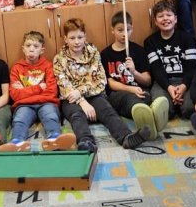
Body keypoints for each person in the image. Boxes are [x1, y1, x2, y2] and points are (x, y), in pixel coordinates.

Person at [55, 18, 151, 152]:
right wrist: (82, 101)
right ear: (65, 39)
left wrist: (80, 91)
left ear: (85, 37)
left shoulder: (93, 52)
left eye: (80, 37)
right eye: (72, 38)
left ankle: (126, 137)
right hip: (71, 99)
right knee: (77, 116)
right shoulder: (59, 59)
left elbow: (100, 80)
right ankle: (85, 141)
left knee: (107, 111)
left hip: (94, 95)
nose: (77, 42)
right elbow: (64, 86)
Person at [0, 31, 75, 152]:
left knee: (50, 115)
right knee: (19, 119)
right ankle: (17, 143)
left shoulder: (48, 66)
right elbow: (15, 95)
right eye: (28, 45)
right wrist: (39, 88)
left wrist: (24, 90)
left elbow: (52, 91)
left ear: (42, 50)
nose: (31, 49)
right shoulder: (16, 68)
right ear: (23, 49)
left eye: (36, 46)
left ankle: (55, 139)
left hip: (46, 102)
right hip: (24, 105)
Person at [102, 12, 167, 141]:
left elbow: (147, 81)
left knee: (145, 96)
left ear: (132, 29)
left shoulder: (139, 51)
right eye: (120, 30)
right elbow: (111, 83)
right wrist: (130, 89)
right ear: (112, 30)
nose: (124, 34)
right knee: (129, 100)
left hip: (140, 91)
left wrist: (134, 72)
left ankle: (148, 117)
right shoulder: (105, 54)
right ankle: (151, 116)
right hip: (119, 94)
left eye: (127, 30)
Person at [143, 0, 196, 122]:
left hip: (185, 80)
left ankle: (179, 105)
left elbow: (192, 66)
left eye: (169, 15)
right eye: (160, 16)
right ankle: (172, 105)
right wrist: (169, 87)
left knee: (189, 109)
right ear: (155, 21)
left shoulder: (188, 38)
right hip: (163, 82)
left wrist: (184, 86)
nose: (165, 18)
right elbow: (156, 69)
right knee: (165, 111)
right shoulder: (150, 42)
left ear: (176, 19)